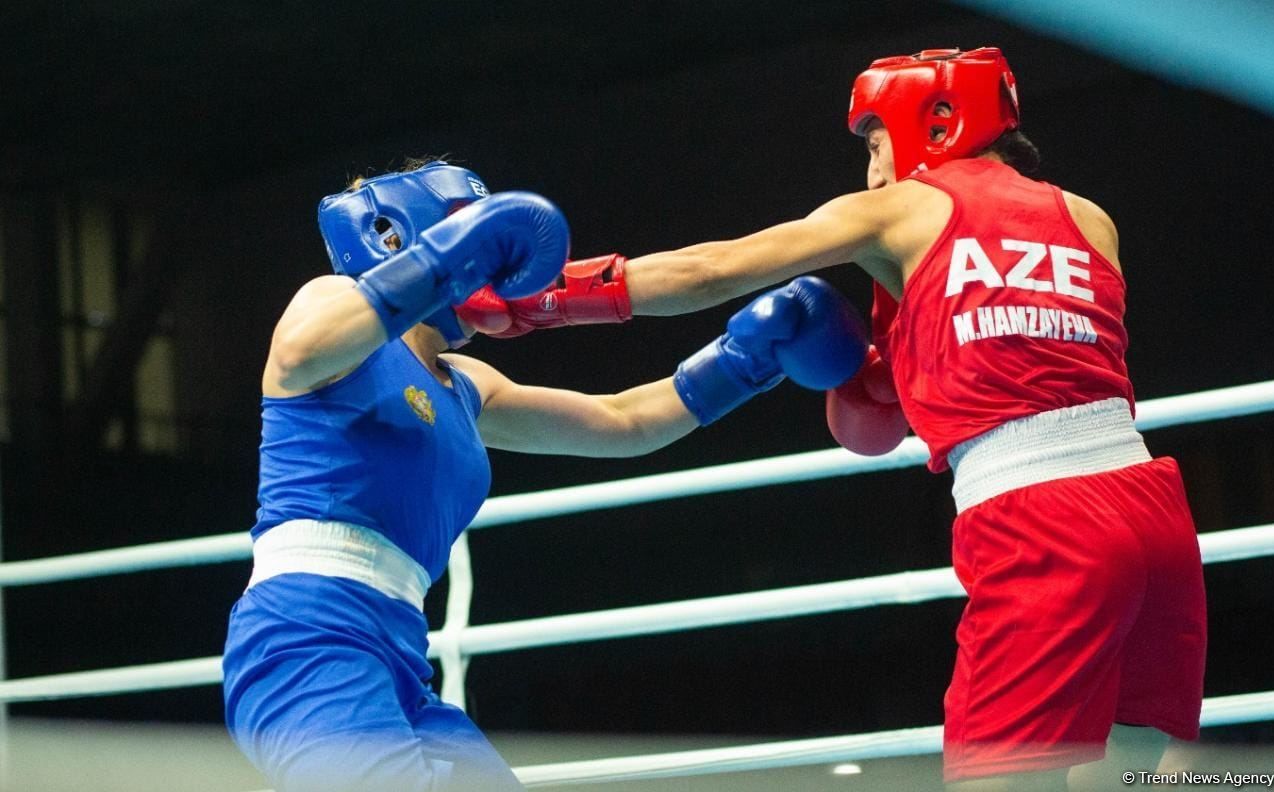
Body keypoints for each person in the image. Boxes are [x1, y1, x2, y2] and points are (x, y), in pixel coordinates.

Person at [458, 48, 1207, 790]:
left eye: (877, 142)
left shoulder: (901, 208)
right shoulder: (1089, 218)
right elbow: (1017, 361)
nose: (873, 169)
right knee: (1126, 771)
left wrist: (537, 302)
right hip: (1152, 511)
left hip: (1039, 519)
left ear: (936, 125)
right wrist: (885, 372)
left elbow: (709, 268)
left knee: (997, 778)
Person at [220, 159, 870, 792]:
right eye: (468, 233)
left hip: (398, 656)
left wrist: (747, 361)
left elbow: (623, 422)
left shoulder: (467, 386)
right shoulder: (332, 303)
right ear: (405, 236)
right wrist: (443, 264)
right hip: (308, 636)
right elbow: (299, 351)